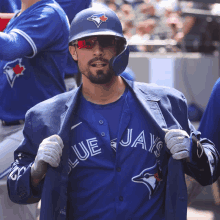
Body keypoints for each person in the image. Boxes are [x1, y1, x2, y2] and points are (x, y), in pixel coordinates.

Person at [7, 7, 219, 220]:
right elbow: (16, 190)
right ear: (73, 51)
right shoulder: (45, 117)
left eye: (107, 42)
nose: (97, 51)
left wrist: (195, 151)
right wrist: (34, 173)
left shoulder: (167, 105)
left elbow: (210, 167)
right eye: (87, 43)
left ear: (120, 49)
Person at [0, 0, 70, 219]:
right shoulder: (19, 16)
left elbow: (11, 47)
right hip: (9, 124)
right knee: (11, 203)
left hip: (32, 129)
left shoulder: (48, 13)